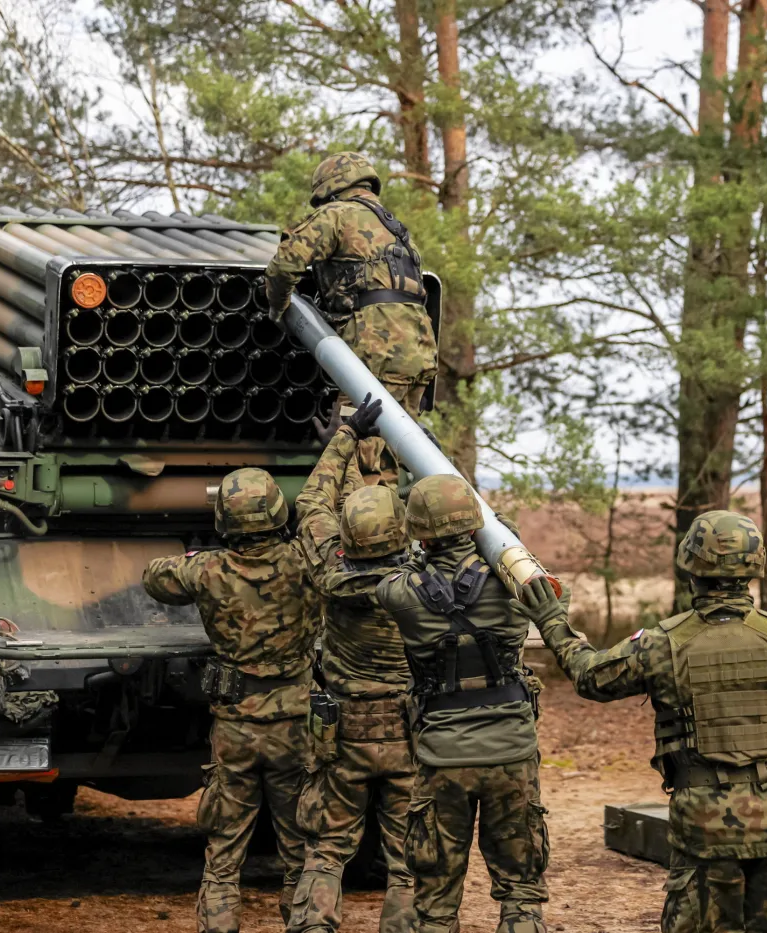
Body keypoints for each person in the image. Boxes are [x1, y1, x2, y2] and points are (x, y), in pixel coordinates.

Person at [519, 510, 767, 933]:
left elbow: (591, 676)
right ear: (752, 568)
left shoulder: (663, 643)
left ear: (690, 569)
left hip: (704, 827)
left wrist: (552, 620)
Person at [142, 468, 320, 933]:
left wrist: (198, 554)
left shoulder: (206, 570)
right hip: (296, 728)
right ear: (280, 513)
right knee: (301, 852)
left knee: (223, 857)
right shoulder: (305, 563)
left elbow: (154, 577)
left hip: (236, 730)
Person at [375, 474, 548, 933]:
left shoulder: (401, 592)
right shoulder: (515, 583)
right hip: (511, 748)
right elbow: (527, 562)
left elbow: (388, 577)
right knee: (521, 895)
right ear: (476, 524)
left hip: (442, 755)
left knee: (434, 904)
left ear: (419, 531)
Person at [288, 395, 417, 933]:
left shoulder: (333, 574)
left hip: (345, 733)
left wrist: (343, 440)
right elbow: (440, 512)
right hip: (411, 732)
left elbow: (312, 507)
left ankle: (315, 926)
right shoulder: (424, 579)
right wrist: (403, 449)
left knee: (326, 850)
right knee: (408, 863)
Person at [265, 151, 437, 418]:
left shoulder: (336, 214)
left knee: (352, 444)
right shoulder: (398, 232)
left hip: (377, 349)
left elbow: (284, 266)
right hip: (420, 349)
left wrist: (278, 310)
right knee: (393, 451)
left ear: (330, 192)